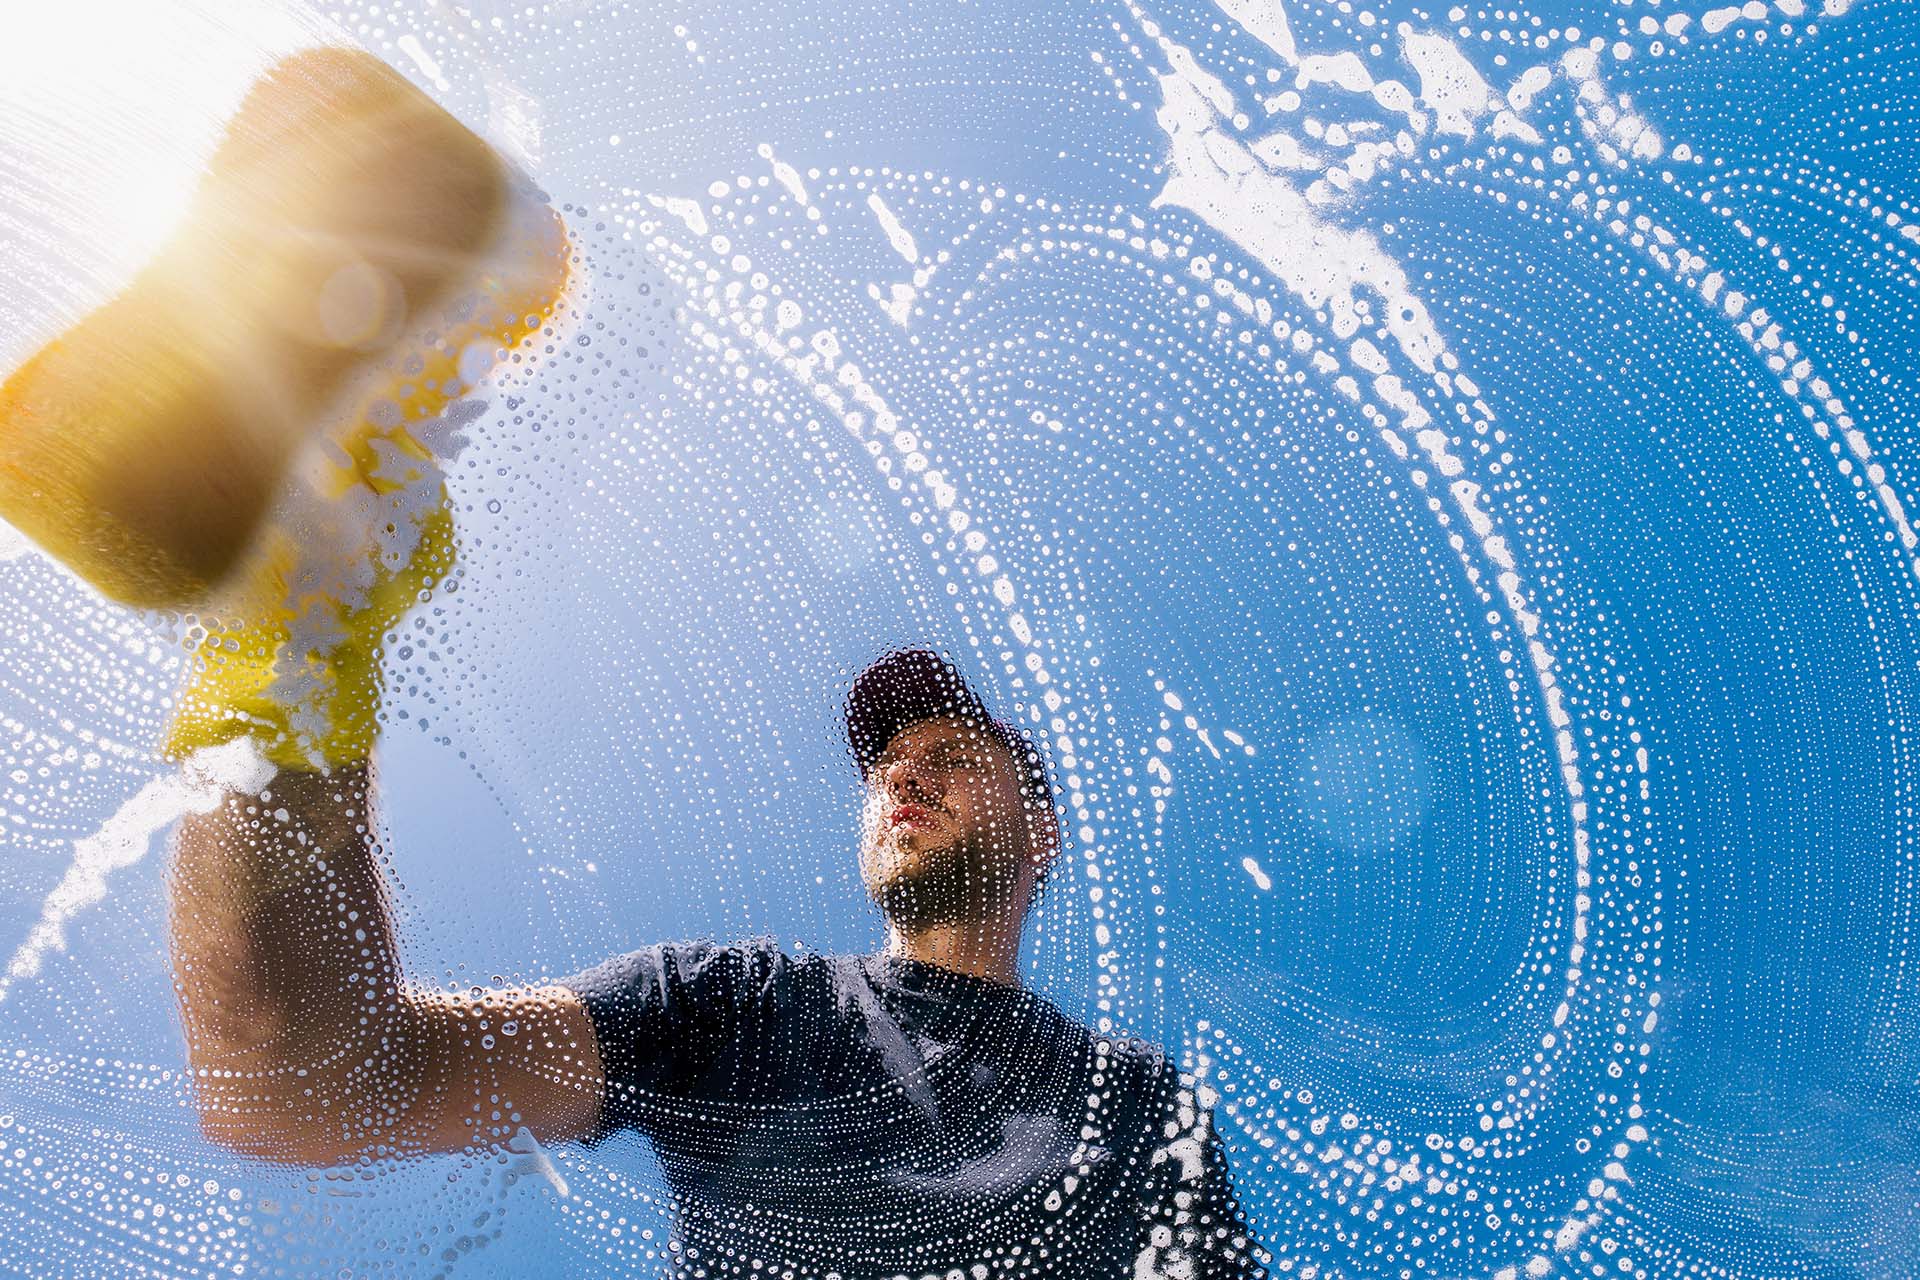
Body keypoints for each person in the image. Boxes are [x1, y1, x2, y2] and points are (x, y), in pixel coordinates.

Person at [4, 44, 1265, 1280]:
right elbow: (304, 1080)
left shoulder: (1140, 1107)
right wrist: (290, 655)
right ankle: (310, 564)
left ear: (1041, 827)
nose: (900, 777)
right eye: (885, 762)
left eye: (947, 753)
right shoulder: (747, 1011)